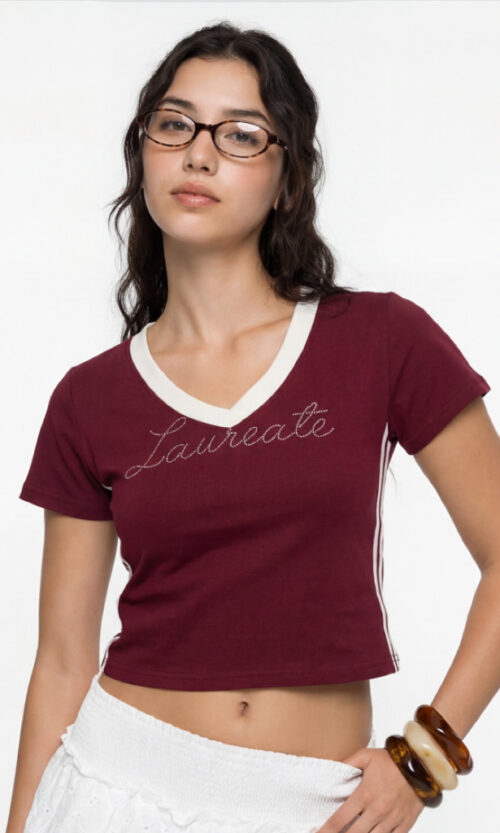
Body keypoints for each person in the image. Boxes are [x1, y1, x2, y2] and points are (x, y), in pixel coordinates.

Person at [8, 20, 499, 833]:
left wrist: (424, 759)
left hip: (314, 806)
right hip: (113, 789)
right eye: (175, 124)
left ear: (288, 178)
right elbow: (61, 662)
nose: (199, 154)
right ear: (143, 154)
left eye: (240, 134)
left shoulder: (382, 340)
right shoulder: (89, 398)